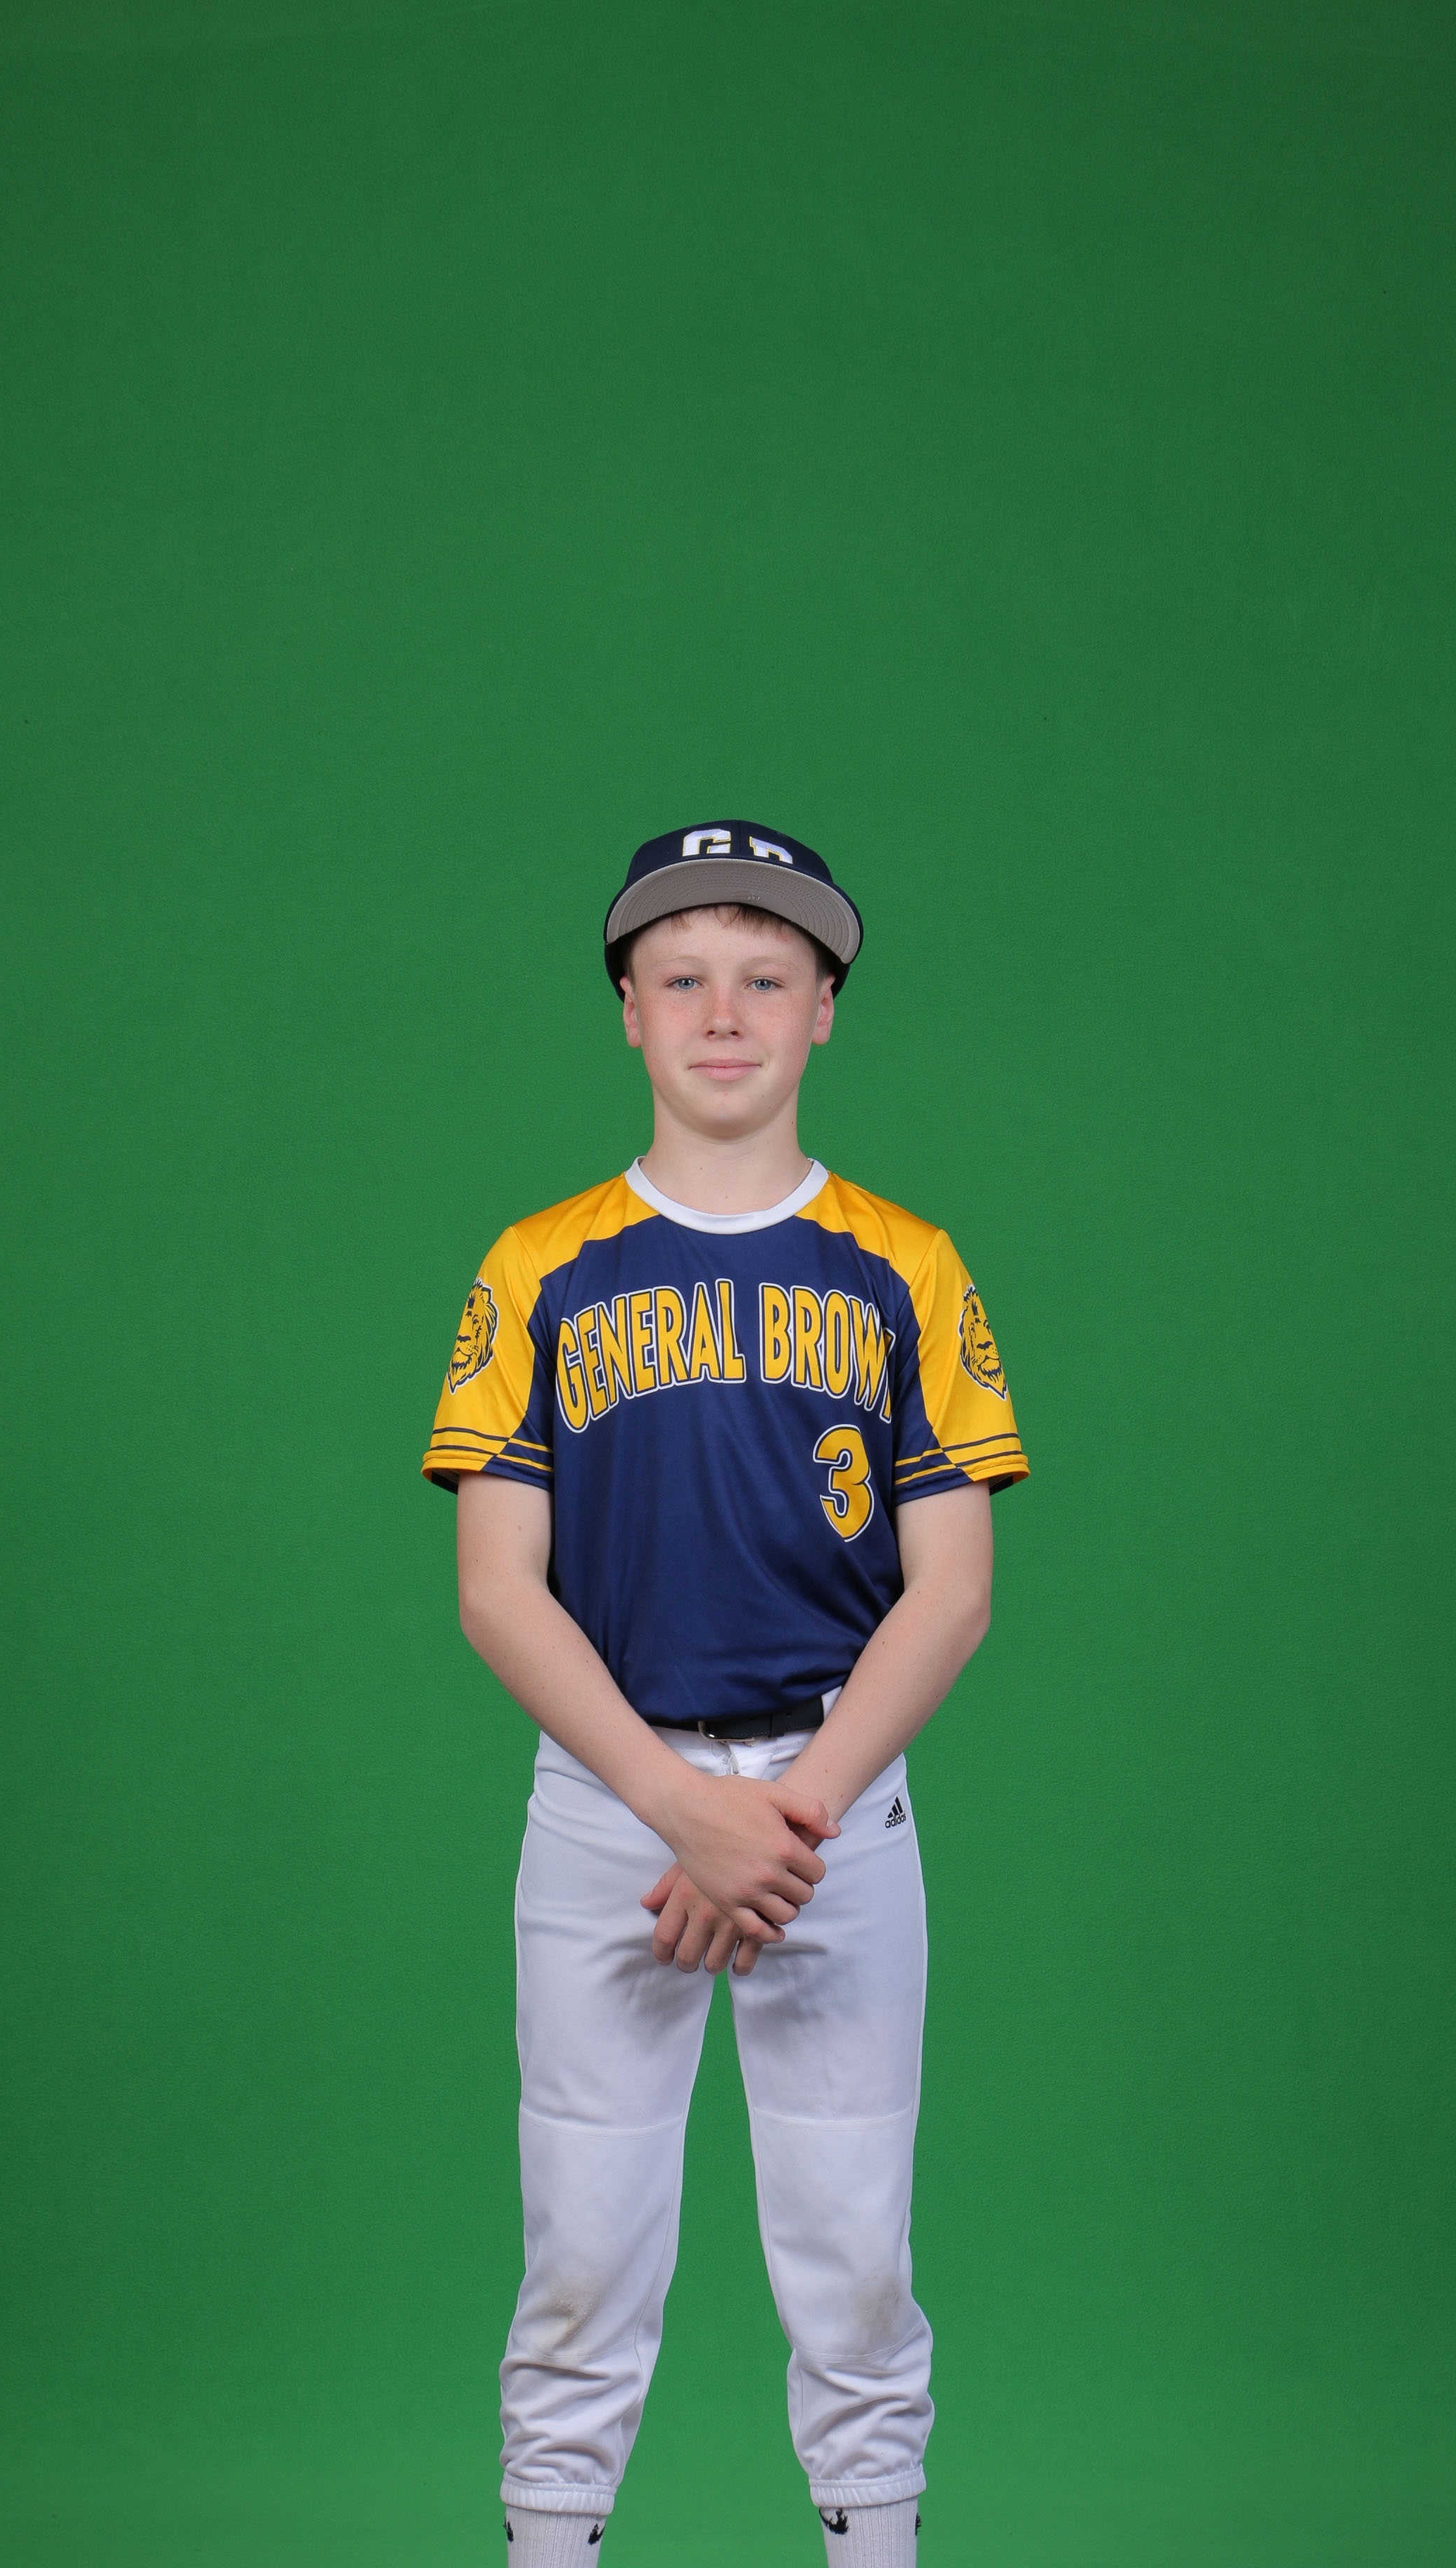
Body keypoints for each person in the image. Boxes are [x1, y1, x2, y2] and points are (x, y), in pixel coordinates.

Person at [424, 822, 1029, 2565]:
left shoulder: (904, 1263)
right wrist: (682, 1810)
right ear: (626, 1008)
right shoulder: (540, 1264)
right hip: (611, 1807)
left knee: (854, 2255)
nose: (722, 1012)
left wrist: (782, 1819)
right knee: (582, 2250)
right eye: (679, 975)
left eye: (767, 976)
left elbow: (952, 1589)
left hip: (833, 1809)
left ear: (824, 1008)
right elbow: (495, 1588)